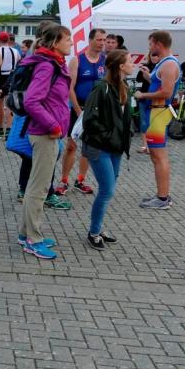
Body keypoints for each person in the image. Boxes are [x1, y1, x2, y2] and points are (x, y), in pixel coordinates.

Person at [18, 24, 72, 260]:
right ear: (55, 43)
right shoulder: (47, 66)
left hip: (47, 133)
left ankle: (26, 234)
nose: (71, 43)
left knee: (35, 186)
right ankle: (33, 239)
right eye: (67, 39)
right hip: (44, 134)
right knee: (38, 189)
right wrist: (53, 125)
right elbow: (31, 101)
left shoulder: (54, 63)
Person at [81, 49, 134, 249]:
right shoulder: (101, 88)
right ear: (121, 66)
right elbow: (89, 120)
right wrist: (109, 136)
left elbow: (124, 119)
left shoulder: (124, 87)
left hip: (115, 148)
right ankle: (94, 232)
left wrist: (124, 136)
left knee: (107, 190)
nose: (133, 64)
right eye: (130, 61)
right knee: (107, 190)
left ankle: (98, 227)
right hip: (100, 147)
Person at [58, 28, 106, 196]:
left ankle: (80, 180)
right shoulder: (77, 60)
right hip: (78, 109)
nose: (102, 43)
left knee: (88, 147)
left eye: (104, 40)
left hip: (96, 111)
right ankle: (64, 180)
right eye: (99, 40)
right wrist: (78, 110)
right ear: (90, 40)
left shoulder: (104, 61)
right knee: (71, 146)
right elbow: (70, 87)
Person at [135, 30, 180, 210]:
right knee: (155, 156)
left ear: (159, 44)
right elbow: (159, 84)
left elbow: (167, 92)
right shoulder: (164, 63)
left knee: (159, 156)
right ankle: (162, 195)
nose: (149, 47)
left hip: (158, 114)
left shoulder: (169, 64)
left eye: (151, 44)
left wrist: (143, 95)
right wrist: (148, 75)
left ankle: (162, 198)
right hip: (156, 113)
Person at [0, 30, 22, 139]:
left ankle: (0, 128)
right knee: (9, 104)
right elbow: (19, 61)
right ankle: (9, 129)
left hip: (0, 77)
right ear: (8, 39)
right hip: (12, 77)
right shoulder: (15, 51)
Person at [135, 51, 159, 153]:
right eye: (152, 55)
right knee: (143, 122)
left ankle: (152, 145)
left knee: (151, 122)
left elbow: (157, 83)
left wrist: (148, 75)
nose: (154, 57)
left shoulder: (160, 68)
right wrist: (142, 70)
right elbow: (138, 79)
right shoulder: (146, 66)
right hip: (143, 97)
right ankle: (145, 146)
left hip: (154, 98)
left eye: (157, 55)